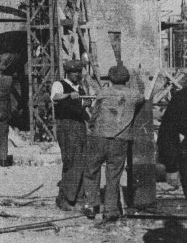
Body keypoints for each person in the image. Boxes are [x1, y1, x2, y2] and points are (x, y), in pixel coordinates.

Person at [83, 63, 144, 222]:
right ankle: (110, 210)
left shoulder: (103, 93)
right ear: (127, 79)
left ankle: (91, 205)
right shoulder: (134, 95)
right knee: (114, 175)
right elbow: (142, 97)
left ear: (110, 78)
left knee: (91, 171)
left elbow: (94, 115)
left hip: (99, 137)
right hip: (120, 139)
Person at [157, 75, 187, 242]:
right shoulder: (185, 95)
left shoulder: (184, 95)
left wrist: (171, 167)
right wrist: (171, 167)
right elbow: (168, 132)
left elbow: (167, 132)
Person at [51, 59, 89, 211]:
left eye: (79, 72)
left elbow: (82, 106)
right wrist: (68, 96)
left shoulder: (80, 87)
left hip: (79, 125)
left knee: (81, 160)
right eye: (74, 72)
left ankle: (77, 196)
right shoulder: (59, 84)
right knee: (70, 160)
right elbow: (55, 97)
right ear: (68, 72)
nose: (77, 75)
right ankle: (66, 198)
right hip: (66, 126)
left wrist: (85, 104)